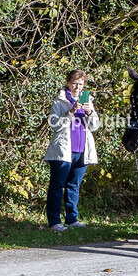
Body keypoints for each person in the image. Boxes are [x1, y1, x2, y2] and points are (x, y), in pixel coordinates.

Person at [44, 69, 100, 231]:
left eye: (80, 84)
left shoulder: (87, 100)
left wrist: (90, 112)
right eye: (74, 83)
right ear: (68, 83)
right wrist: (72, 112)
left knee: (74, 185)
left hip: (83, 149)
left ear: (84, 85)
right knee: (57, 186)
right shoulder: (59, 102)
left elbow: (94, 126)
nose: (77, 87)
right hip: (63, 150)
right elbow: (55, 125)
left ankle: (72, 219)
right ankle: (54, 222)